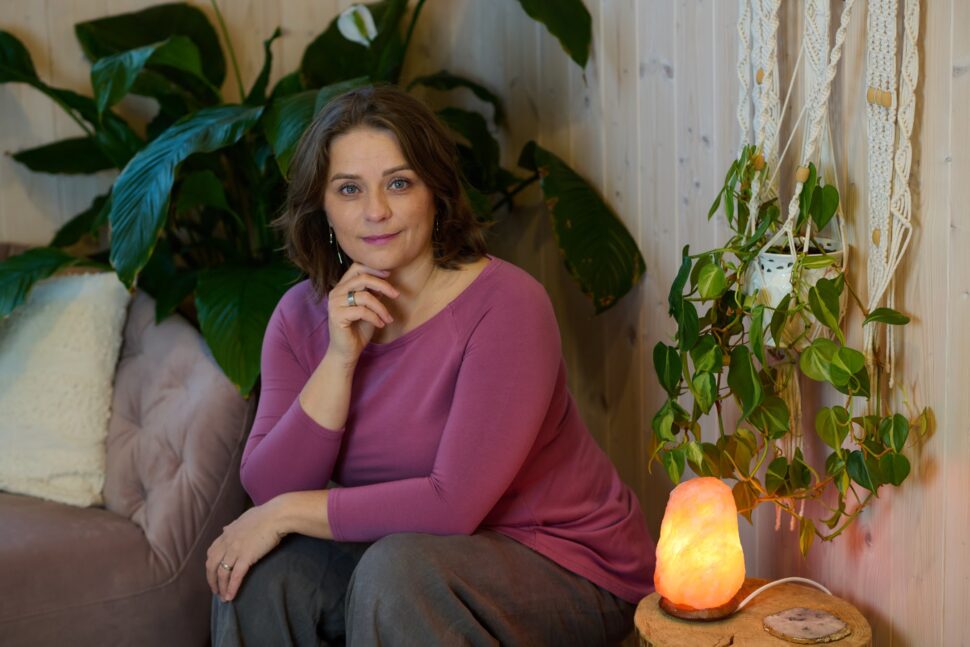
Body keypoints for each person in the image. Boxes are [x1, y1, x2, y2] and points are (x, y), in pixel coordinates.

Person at [207, 84, 656, 646]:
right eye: (349, 189)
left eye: (399, 183)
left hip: (564, 561)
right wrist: (340, 359)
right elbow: (271, 486)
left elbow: (453, 506)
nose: (376, 211)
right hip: (409, 555)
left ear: (435, 194)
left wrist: (282, 515)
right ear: (321, 206)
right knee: (259, 574)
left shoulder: (507, 306)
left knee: (398, 572)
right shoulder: (300, 317)